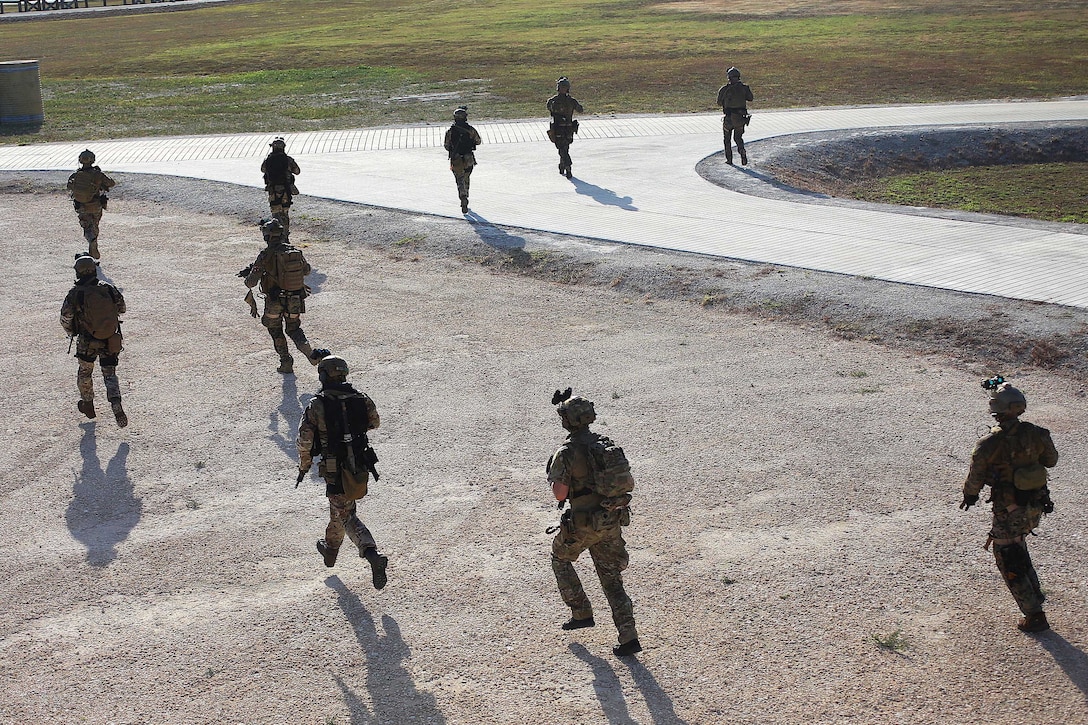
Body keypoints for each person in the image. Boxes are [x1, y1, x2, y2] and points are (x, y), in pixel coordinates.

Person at [961, 377, 1059, 633]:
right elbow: (1051, 461)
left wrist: (969, 496)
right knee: (1019, 547)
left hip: (1008, 508)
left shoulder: (989, 443)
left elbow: (976, 477)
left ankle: (1034, 614)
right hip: (1034, 506)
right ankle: (1035, 598)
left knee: (1007, 556)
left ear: (996, 411)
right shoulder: (1038, 433)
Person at [547, 389, 640, 657]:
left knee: (560, 557)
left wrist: (555, 480)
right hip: (610, 520)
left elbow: (560, 494)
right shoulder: (604, 443)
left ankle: (581, 611)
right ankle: (629, 636)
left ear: (567, 421)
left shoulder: (566, 452)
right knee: (612, 580)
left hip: (583, 524)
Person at [297, 355, 389, 589]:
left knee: (346, 513)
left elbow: (304, 441)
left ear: (324, 376)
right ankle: (330, 552)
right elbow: (375, 422)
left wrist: (304, 466)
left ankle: (371, 554)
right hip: (359, 463)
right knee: (340, 506)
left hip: (334, 468)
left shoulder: (317, 405)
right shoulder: (360, 397)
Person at [240, 218, 325, 374]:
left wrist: (249, 275)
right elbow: (306, 270)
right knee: (294, 329)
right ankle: (311, 355)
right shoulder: (294, 252)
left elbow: (251, 283)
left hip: (274, 301)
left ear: (266, 236)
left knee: (275, 329)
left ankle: (286, 361)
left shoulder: (265, 255)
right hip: (295, 299)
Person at [60, 254, 128, 427]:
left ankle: (88, 404)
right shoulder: (108, 289)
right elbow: (122, 308)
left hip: (86, 342)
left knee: (85, 372)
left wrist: (72, 331)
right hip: (109, 338)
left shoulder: (75, 294)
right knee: (110, 373)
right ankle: (115, 402)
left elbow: (65, 317)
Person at [66, 149, 117, 259]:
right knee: (95, 224)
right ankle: (93, 241)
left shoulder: (75, 175)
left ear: (80, 160)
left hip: (81, 206)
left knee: (86, 225)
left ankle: (91, 240)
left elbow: (69, 187)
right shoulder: (97, 175)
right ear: (93, 160)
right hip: (95, 205)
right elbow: (111, 183)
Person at [443, 106, 483, 214]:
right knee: (466, 177)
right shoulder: (470, 130)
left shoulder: (450, 131)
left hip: (456, 159)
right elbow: (478, 141)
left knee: (459, 179)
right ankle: (466, 195)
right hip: (468, 158)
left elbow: (446, 146)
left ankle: (463, 197)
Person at [261, 137, 301, 234]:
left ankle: (275, 234)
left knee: (275, 213)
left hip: (273, 190)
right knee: (284, 213)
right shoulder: (288, 160)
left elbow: (263, 170)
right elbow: (297, 171)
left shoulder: (268, 160)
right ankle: (285, 234)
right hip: (285, 190)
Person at [546, 77, 584, 179]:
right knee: (565, 148)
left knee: (562, 148)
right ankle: (562, 165)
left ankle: (567, 166)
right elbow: (580, 109)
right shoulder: (571, 101)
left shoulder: (552, 101)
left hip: (559, 128)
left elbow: (549, 109)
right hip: (568, 128)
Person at [716, 67, 754, 165]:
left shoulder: (724, 89)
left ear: (729, 77)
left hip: (729, 118)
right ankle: (742, 151)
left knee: (727, 139)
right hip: (740, 118)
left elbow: (719, 103)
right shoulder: (744, 88)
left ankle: (729, 160)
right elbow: (750, 98)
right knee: (738, 138)